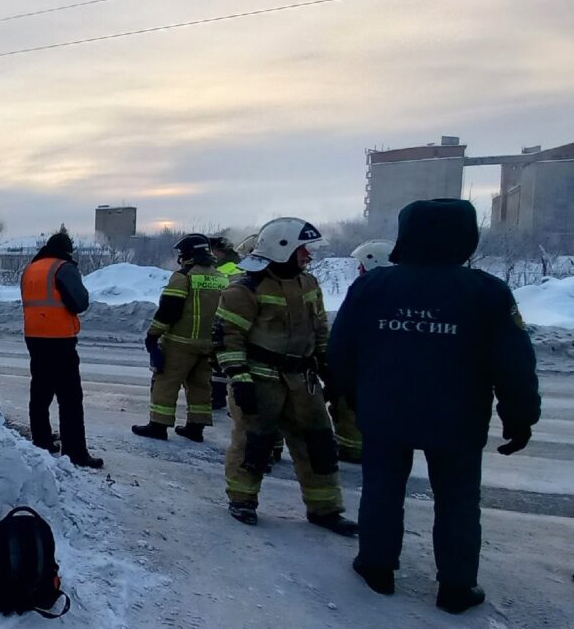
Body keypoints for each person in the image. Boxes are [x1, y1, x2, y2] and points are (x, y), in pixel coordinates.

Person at [331, 199, 540, 614]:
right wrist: (519, 417)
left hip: (384, 412)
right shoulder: (487, 292)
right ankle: (457, 587)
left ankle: (376, 567)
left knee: (382, 489)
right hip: (457, 417)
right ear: (467, 238)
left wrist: (348, 394)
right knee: (458, 500)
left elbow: (341, 349)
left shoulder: (372, 287)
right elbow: (514, 362)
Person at [215, 217, 357, 536]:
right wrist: (239, 378)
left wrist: (329, 368)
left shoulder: (308, 285)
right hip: (260, 379)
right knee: (254, 443)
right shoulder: (245, 288)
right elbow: (228, 337)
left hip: (302, 382)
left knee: (318, 443)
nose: (308, 255)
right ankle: (242, 499)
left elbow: (320, 330)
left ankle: (325, 508)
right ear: (283, 249)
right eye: (302, 249)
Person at [20, 230, 103, 469]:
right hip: (60, 339)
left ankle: (42, 442)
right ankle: (76, 452)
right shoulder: (63, 268)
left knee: (40, 392)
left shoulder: (31, 269)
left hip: (34, 337)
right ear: (67, 250)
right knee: (70, 398)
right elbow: (80, 302)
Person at [132, 234, 227, 442]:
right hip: (208, 343)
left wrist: (153, 335)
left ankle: (158, 425)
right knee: (201, 385)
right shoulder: (221, 278)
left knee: (165, 382)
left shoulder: (183, 276)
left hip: (180, 342)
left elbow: (169, 310)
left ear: (188, 254)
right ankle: (196, 428)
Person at [328, 239, 396, 464]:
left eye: (361, 265)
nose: (358, 269)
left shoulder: (363, 291)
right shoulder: (404, 293)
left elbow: (343, 337)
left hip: (359, 373)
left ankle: (353, 451)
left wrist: (334, 377)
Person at [208, 236, 247, 411]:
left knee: (217, 361)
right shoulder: (239, 265)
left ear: (219, 251)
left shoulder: (223, 269)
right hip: (238, 317)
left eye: (213, 251)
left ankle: (217, 398)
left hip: (222, 315)